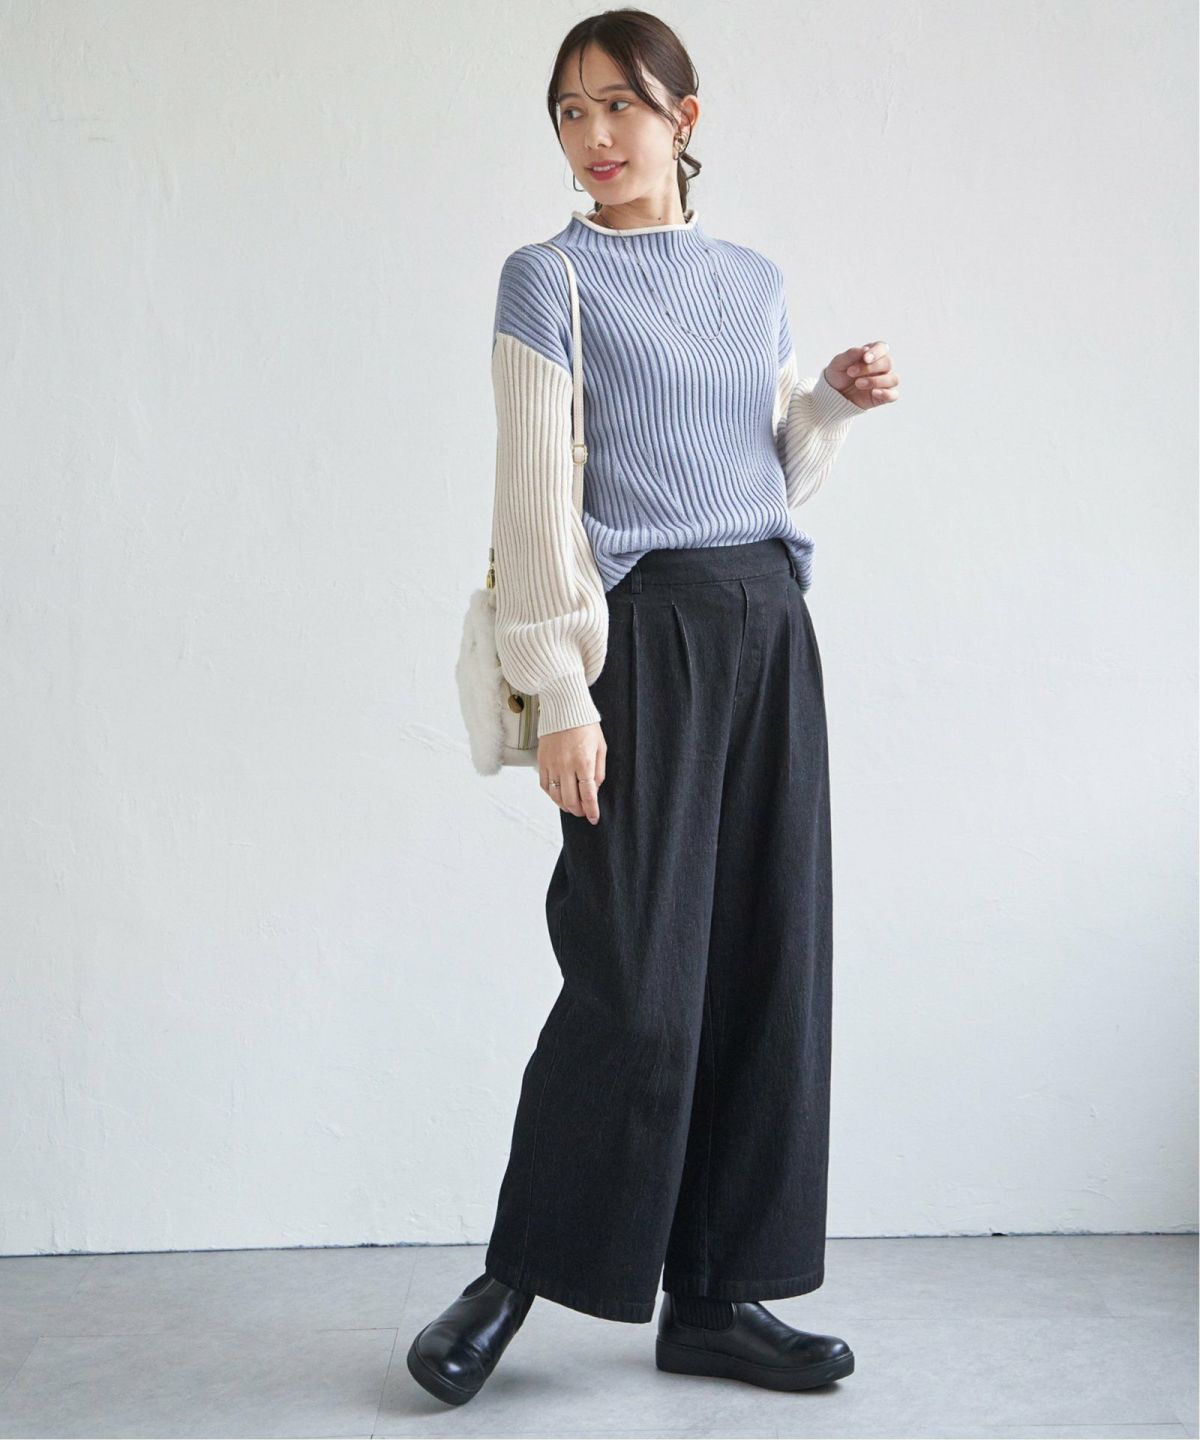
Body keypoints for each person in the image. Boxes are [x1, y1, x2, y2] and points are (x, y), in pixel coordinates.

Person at [409, 8, 899, 1407]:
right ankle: (512, 1277)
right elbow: (535, 500)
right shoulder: (548, 282)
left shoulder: (752, 280)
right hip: (643, 635)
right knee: (633, 978)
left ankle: (719, 1298)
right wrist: (562, 689)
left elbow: (768, 469)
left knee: (765, 963)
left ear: (685, 117)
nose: (593, 136)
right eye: (569, 112)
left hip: (768, 621)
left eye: (618, 104)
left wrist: (830, 408)